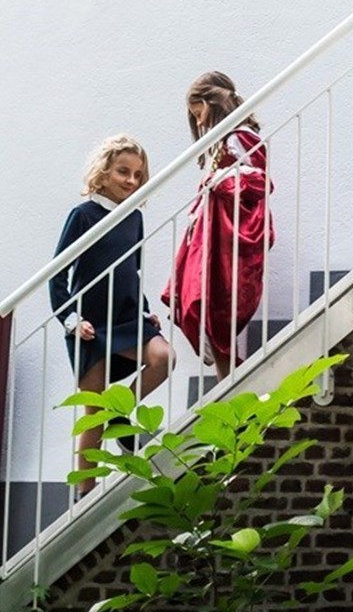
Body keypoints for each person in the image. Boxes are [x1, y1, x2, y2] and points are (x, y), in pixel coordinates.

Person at [48, 134, 172, 493]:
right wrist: (70, 319)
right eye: (123, 172)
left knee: (163, 357)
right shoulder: (83, 215)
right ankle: (84, 496)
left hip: (127, 316)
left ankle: (123, 412)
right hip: (89, 322)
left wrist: (146, 311)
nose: (131, 181)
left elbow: (130, 271)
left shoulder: (133, 219)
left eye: (137, 175)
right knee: (95, 414)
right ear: (103, 172)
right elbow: (57, 274)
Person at [162, 71, 272, 381]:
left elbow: (258, 180)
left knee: (218, 300)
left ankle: (229, 382)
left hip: (230, 231)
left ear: (211, 104)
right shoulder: (224, 140)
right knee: (196, 294)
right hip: (212, 228)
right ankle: (221, 369)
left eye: (199, 114)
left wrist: (218, 180)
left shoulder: (240, 137)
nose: (198, 123)